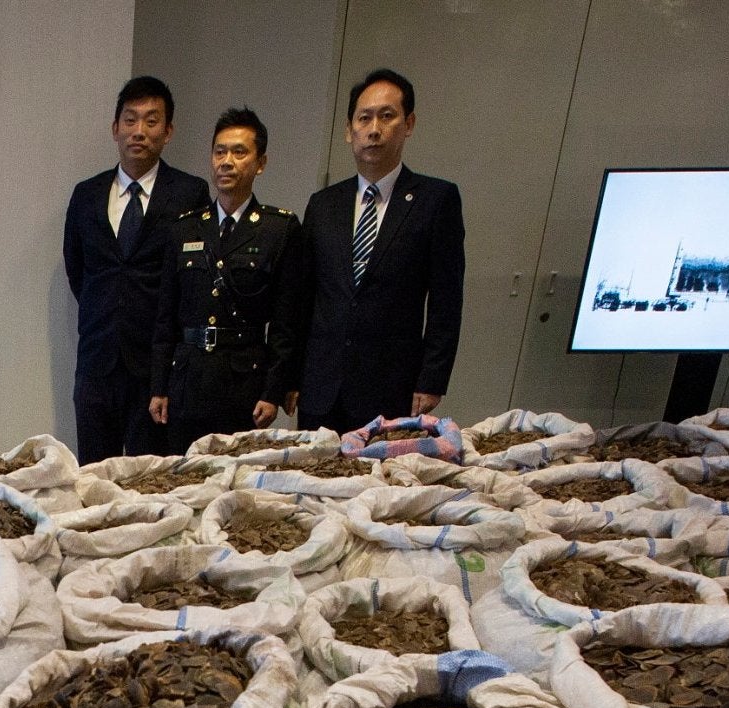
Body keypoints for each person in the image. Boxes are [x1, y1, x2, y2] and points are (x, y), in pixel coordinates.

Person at [294, 68, 465, 432]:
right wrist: (292, 377)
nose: (374, 129)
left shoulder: (435, 201)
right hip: (321, 388)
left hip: (392, 386)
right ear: (349, 129)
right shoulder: (323, 204)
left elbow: (446, 300)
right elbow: (304, 297)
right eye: (364, 118)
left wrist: (431, 378)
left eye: (387, 116)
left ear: (409, 124)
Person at [64, 75, 210, 461]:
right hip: (96, 363)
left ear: (168, 131)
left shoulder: (189, 193)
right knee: (93, 478)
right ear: (115, 129)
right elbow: (78, 271)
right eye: (130, 120)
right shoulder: (87, 195)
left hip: (155, 371)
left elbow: (190, 279)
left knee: (150, 481)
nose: (139, 131)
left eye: (151, 121)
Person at [148, 107, 305, 456]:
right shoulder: (186, 227)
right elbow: (166, 316)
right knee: (180, 478)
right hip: (187, 379)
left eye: (239, 152)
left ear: (260, 163)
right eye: (220, 152)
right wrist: (159, 385)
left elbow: (286, 322)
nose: (227, 161)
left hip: (243, 383)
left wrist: (273, 390)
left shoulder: (278, 230)